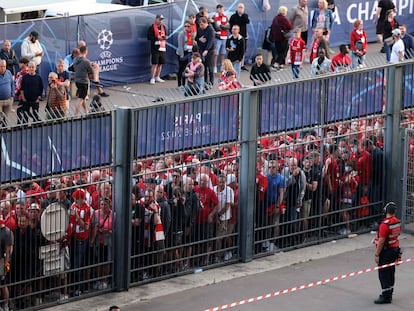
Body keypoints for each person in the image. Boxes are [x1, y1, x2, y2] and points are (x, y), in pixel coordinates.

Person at [373, 202, 401, 304]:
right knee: (391, 271)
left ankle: (386, 296)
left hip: (386, 251)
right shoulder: (397, 222)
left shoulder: (384, 225)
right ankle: (390, 292)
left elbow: (382, 241)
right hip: (395, 249)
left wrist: (376, 254)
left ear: (386, 211)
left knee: (383, 273)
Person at [147, 14, 168, 85]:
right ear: (156, 19)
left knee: (160, 63)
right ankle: (152, 78)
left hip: (162, 47)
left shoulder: (164, 27)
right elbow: (149, 37)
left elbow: (166, 35)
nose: (160, 21)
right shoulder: (152, 28)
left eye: (162, 20)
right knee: (155, 63)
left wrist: (165, 37)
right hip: (155, 48)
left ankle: (157, 76)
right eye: (159, 19)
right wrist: (157, 38)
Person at [270, 6, 293, 70]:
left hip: (276, 38)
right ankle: (276, 64)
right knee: (283, 51)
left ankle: (281, 64)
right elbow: (290, 26)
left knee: (279, 51)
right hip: (283, 38)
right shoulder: (284, 19)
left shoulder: (275, 18)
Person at [229, 3, 250, 71]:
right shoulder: (233, 16)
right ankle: (232, 64)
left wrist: (243, 14)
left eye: (242, 8)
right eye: (239, 7)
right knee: (234, 49)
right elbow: (230, 25)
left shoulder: (245, 16)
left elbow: (247, 21)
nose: (240, 9)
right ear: (237, 8)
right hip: (235, 36)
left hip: (243, 36)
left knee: (242, 50)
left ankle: (242, 64)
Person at [73, 45, 93, 115]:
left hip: (77, 81)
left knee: (83, 97)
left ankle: (86, 111)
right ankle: (75, 115)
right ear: (86, 52)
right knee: (80, 99)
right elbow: (91, 71)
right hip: (84, 82)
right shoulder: (86, 61)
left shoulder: (75, 59)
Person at [196, 17, 215, 88]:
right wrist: (199, 39)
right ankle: (205, 82)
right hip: (201, 50)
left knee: (210, 67)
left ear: (206, 23)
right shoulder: (199, 29)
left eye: (202, 25)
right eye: (200, 25)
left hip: (210, 51)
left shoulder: (211, 30)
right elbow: (196, 38)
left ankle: (211, 82)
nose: (201, 26)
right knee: (203, 67)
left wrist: (206, 50)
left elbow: (211, 40)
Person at [0, 215, 13, 311]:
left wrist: (6, 265)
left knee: (3, 284)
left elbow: (8, 251)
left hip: (1, 261)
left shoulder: (6, 232)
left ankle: (6, 305)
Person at [176, 20, 195, 87]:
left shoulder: (192, 34)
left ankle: (184, 84)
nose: (186, 27)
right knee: (181, 68)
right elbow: (180, 45)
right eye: (185, 26)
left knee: (186, 69)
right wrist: (181, 55)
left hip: (189, 52)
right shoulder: (182, 33)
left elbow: (193, 43)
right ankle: (179, 84)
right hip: (182, 52)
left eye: (188, 26)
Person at [212, 4, 230, 74]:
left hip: (224, 37)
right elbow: (216, 27)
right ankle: (214, 67)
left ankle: (222, 67)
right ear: (217, 9)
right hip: (217, 38)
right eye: (220, 9)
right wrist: (222, 26)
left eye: (222, 9)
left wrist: (222, 26)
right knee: (216, 53)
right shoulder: (214, 17)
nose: (221, 10)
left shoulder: (225, 17)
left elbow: (228, 26)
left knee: (223, 53)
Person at [0, 60, 14, 126]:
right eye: (1, 66)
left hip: (8, 100)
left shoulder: (8, 73)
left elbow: (12, 84)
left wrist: (12, 95)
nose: (2, 68)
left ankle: (4, 133)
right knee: (0, 119)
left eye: (4, 66)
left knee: (5, 119)